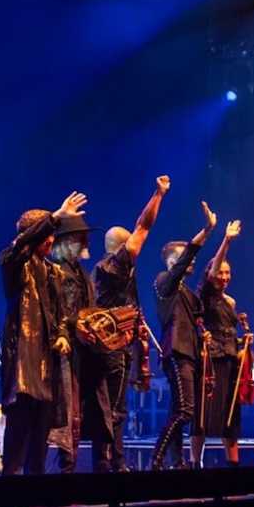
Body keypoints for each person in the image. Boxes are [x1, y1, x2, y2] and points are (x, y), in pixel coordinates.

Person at [0, 191, 89, 476]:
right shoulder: (12, 262)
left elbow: (62, 312)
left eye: (53, 234)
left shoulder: (54, 273)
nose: (52, 240)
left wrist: (63, 333)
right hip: (23, 361)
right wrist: (55, 217)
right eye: (46, 234)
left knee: (40, 436)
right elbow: (20, 246)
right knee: (17, 435)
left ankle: (35, 496)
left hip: (47, 363)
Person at [88, 175, 169, 472]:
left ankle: (105, 460)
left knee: (109, 404)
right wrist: (158, 194)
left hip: (105, 345)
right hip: (113, 346)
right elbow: (143, 227)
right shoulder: (116, 265)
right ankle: (114, 462)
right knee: (115, 406)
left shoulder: (100, 269)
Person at [149, 202, 218, 470]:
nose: (191, 261)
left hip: (190, 352)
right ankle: (156, 459)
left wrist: (204, 335)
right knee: (185, 410)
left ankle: (176, 461)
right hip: (177, 352)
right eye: (184, 258)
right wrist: (208, 230)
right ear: (172, 262)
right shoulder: (163, 282)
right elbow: (188, 256)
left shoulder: (188, 294)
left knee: (178, 409)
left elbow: (199, 312)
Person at [195, 219, 245, 467]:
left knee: (230, 414)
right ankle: (196, 463)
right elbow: (214, 269)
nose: (224, 277)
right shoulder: (206, 293)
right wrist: (226, 240)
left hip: (230, 359)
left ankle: (233, 465)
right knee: (204, 413)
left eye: (228, 273)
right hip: (211, 360)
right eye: (220, 273)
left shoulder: (232, 302)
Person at [46, 214, 93, 472]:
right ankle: (64, 468)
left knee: (76, 410)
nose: (84, 244)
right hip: (63, 348)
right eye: (79, 239)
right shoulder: (59, 272)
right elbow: (60, 310)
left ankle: (69, 467)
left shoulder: (79, 272)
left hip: (80, 349)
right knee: (65, 409)